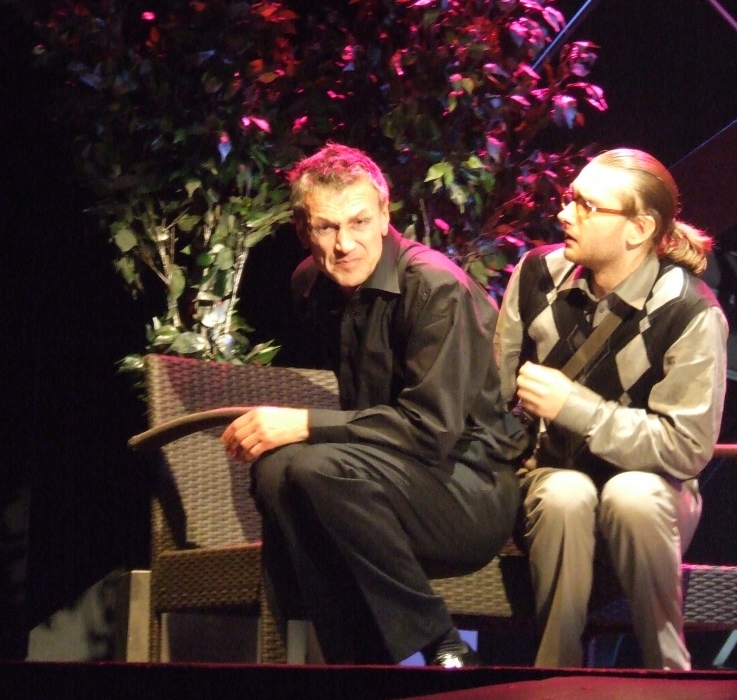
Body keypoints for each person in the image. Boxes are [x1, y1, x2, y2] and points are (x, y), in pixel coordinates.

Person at [220, 142, 522, 667]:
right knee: (274, 471)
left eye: (359, 222)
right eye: (326, 227)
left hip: (465, 486)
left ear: (385, 216)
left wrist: (305, 423)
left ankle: (442, 642)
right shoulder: (312, 285)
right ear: (303, 230)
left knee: (316, 467)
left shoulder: (434, 287)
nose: (345, 244)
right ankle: (356, 666)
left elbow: (430, 429)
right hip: (374, 481)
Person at [494, 147, 728, 670]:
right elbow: (492, 393)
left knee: (631, 495)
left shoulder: (688, 311)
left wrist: (578, 409)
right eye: (569, 198)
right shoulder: (537, 275)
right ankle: (557, 677)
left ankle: (669, 675)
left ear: (638, 229)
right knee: (565, 493)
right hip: (550, 480)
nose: (564, 214)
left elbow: (687, 447)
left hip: (655, 494)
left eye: (586, 205)